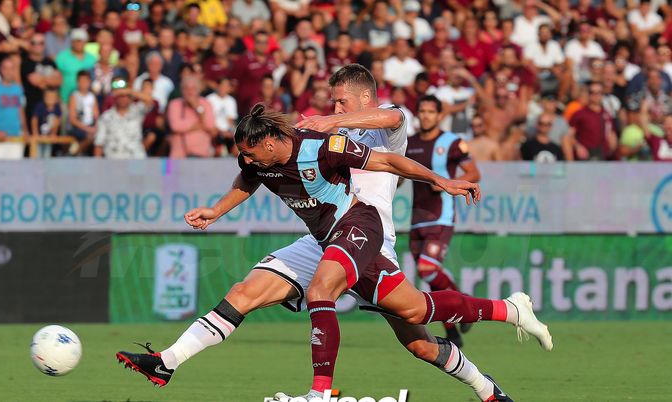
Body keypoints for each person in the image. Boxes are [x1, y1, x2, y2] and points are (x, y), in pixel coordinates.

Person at [116, 65, 551, 402]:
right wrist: (217, 209)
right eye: (332, 102)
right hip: (327, 238)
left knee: (397, 319)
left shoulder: (390, 122)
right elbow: (258, 170)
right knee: (250, 291)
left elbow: (387, 122)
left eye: (342, 102)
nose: (336, 109)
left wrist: (334, 122)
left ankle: (324, 391)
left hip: (369, 232)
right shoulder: (316, 138)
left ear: (363, 97)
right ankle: (167, 362)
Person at [405, 95, 481, 348]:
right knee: (429, 275)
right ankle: (453, 330)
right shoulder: (409, 143)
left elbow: (473, 172)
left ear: (440, 115)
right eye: (422, 111)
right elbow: (401, 174)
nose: (426, 115)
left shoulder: (451, 142)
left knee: (428, 269)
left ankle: (463, 303)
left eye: (430, 112)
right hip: (416, 218)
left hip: (441, 216)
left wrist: (448, 183)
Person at [93, 78, 154, 159]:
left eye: (126, 96)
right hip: (114, 161)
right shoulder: (105, 117)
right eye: (120, 96)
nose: (123, 98)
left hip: (136, 159)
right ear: (115, 97)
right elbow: (99, 143)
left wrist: (129, 91)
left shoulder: (137, 111)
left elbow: (149, 100)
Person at [0, 57, 28, 160]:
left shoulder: (18, 88)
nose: (8, 72)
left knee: (15, 171)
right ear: (1, 70)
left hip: (16, 136)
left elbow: (20, 110)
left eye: (11, 68)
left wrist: (25, 129)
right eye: (5, 68)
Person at [166, 76, 217, 158]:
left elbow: (210, 125)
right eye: (186, 88)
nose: (189, 92)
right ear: (182, 90)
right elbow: (175, 126)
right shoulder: (174, 104)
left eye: (193, 88)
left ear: (198, 90)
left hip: (201, 153)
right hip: (179, 155)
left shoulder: (206, 104)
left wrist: (197, 107)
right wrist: (197, 125)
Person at [68, 71, 99, 156]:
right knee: (89, 137)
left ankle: (76, 150)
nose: (83, 84)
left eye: (85, 81)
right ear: (77, 82)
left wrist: (95, 127)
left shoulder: (92, 96)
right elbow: (73, 119)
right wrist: (87, 129)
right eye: (81, 81)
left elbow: (96, 116)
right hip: (78, 127)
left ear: (89, 82)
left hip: (90, 126)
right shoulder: (74, 96)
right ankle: (73, 153)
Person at [30, 87, 62, 158]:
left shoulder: (57, 108)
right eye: (48, 97)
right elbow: (34, 120)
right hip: (39, 135)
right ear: (44, 97)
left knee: (47, 155)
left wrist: (54, 133)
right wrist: (35, 133)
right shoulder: (40, 106)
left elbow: (57, 122)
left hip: (48, 137)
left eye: (52, 97)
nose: (50, 99)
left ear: (56, 99)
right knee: (37, 154)